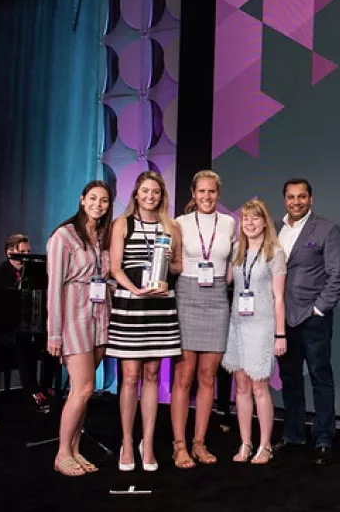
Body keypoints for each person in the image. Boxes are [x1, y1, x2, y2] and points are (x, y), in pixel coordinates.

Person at [107, 170, 182, 472]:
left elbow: (178, 265)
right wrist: (134, 288)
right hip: (130, 305)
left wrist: (167, 273)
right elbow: (115, 268)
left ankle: (147, 442)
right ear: (136, 194)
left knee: (152, 374)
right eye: (145, 191)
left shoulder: (171, 226)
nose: (151, 196)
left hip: (160, 307)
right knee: (129, 376)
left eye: (156, 192)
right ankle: (127, 441)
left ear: (162, 196)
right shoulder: (121, 224)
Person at [273, 178, 340, 465]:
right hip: (285, 320)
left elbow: (338, 275)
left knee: (320, 378)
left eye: (301, 197)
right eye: (291, 197)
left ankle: (324, 438)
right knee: (290, 380)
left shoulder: (328, 229)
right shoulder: (278, 231)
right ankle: (293, 435)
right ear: (285, 200)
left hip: (313, 320)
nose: (296, 202)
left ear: (311, 199)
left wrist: (319, 310)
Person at [46, 180, 113, 476]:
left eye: (104, 201)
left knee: (83, 390)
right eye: (94, 199)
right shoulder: (64, 236)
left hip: (100, 318)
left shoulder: (102, 236)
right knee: (83, 389)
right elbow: (53, 288)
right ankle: (62, 453)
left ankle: (75, 449)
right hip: (74, 318)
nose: (98, 205)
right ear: (82, 199)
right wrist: (54, 333)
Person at [170, 170, 236, 468]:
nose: (207, 197)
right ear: (193, 194)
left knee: (208, 377)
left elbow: (233, 263)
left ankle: (199, 442)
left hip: (217, 297)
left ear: (218, 194)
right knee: (184, 376)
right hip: (187, 294)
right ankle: (179, 445)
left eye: (212, 192)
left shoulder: (230, 222)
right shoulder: (179, 223)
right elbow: (172, 262)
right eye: (201, 192)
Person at [223, 199, 287, 464]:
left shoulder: (275, 252)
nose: (249, 223)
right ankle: (245, 443)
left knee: (260, 387)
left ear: (264, 222)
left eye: (255, 218)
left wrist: (280, 335)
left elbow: (279, 297)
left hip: (262, 326)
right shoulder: (237, 250)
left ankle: (265, 445)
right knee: (241, 387)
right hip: (237, 325)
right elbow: (225, 280)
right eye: (245, 218)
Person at [0, 234, 51, 418]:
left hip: (27, 329)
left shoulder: (35, 274)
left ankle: (45, 391)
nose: (26, 257)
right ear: (9, 252)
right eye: (22, 253)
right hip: (1, 331)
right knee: (22, 345)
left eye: (28, 252)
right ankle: (31, 393)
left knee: (48, 347)